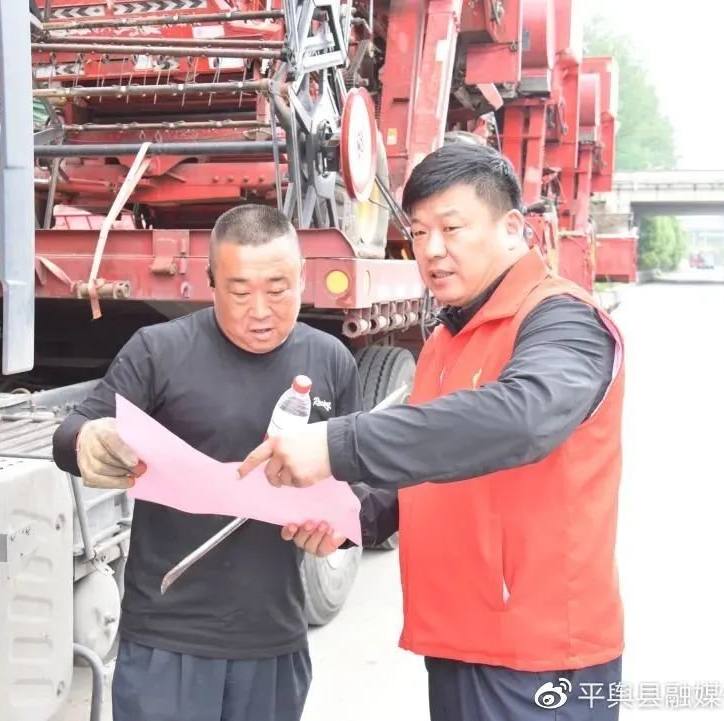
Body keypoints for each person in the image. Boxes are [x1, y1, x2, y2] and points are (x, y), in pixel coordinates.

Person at [238, 140, 626, 721]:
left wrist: (337, 445)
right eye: (419, 233)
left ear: (512, 227)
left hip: (543, 654)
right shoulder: (448, 341)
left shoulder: (564, 320)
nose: (433, 251)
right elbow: (432, 462)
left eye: (452, 228)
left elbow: (519, 421)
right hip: (458, 638)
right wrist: (352, 516)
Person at [51, 203, 394, 721]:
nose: (260, 309)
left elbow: (362, 492)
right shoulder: (159, 351)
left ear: (303, 278)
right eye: (238, 291)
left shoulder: (330, 360)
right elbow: (71, 433)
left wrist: (340, 530)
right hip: (167, 639)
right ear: (210, 283)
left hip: (274, 638)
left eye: (278, 288)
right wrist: (89, 441)